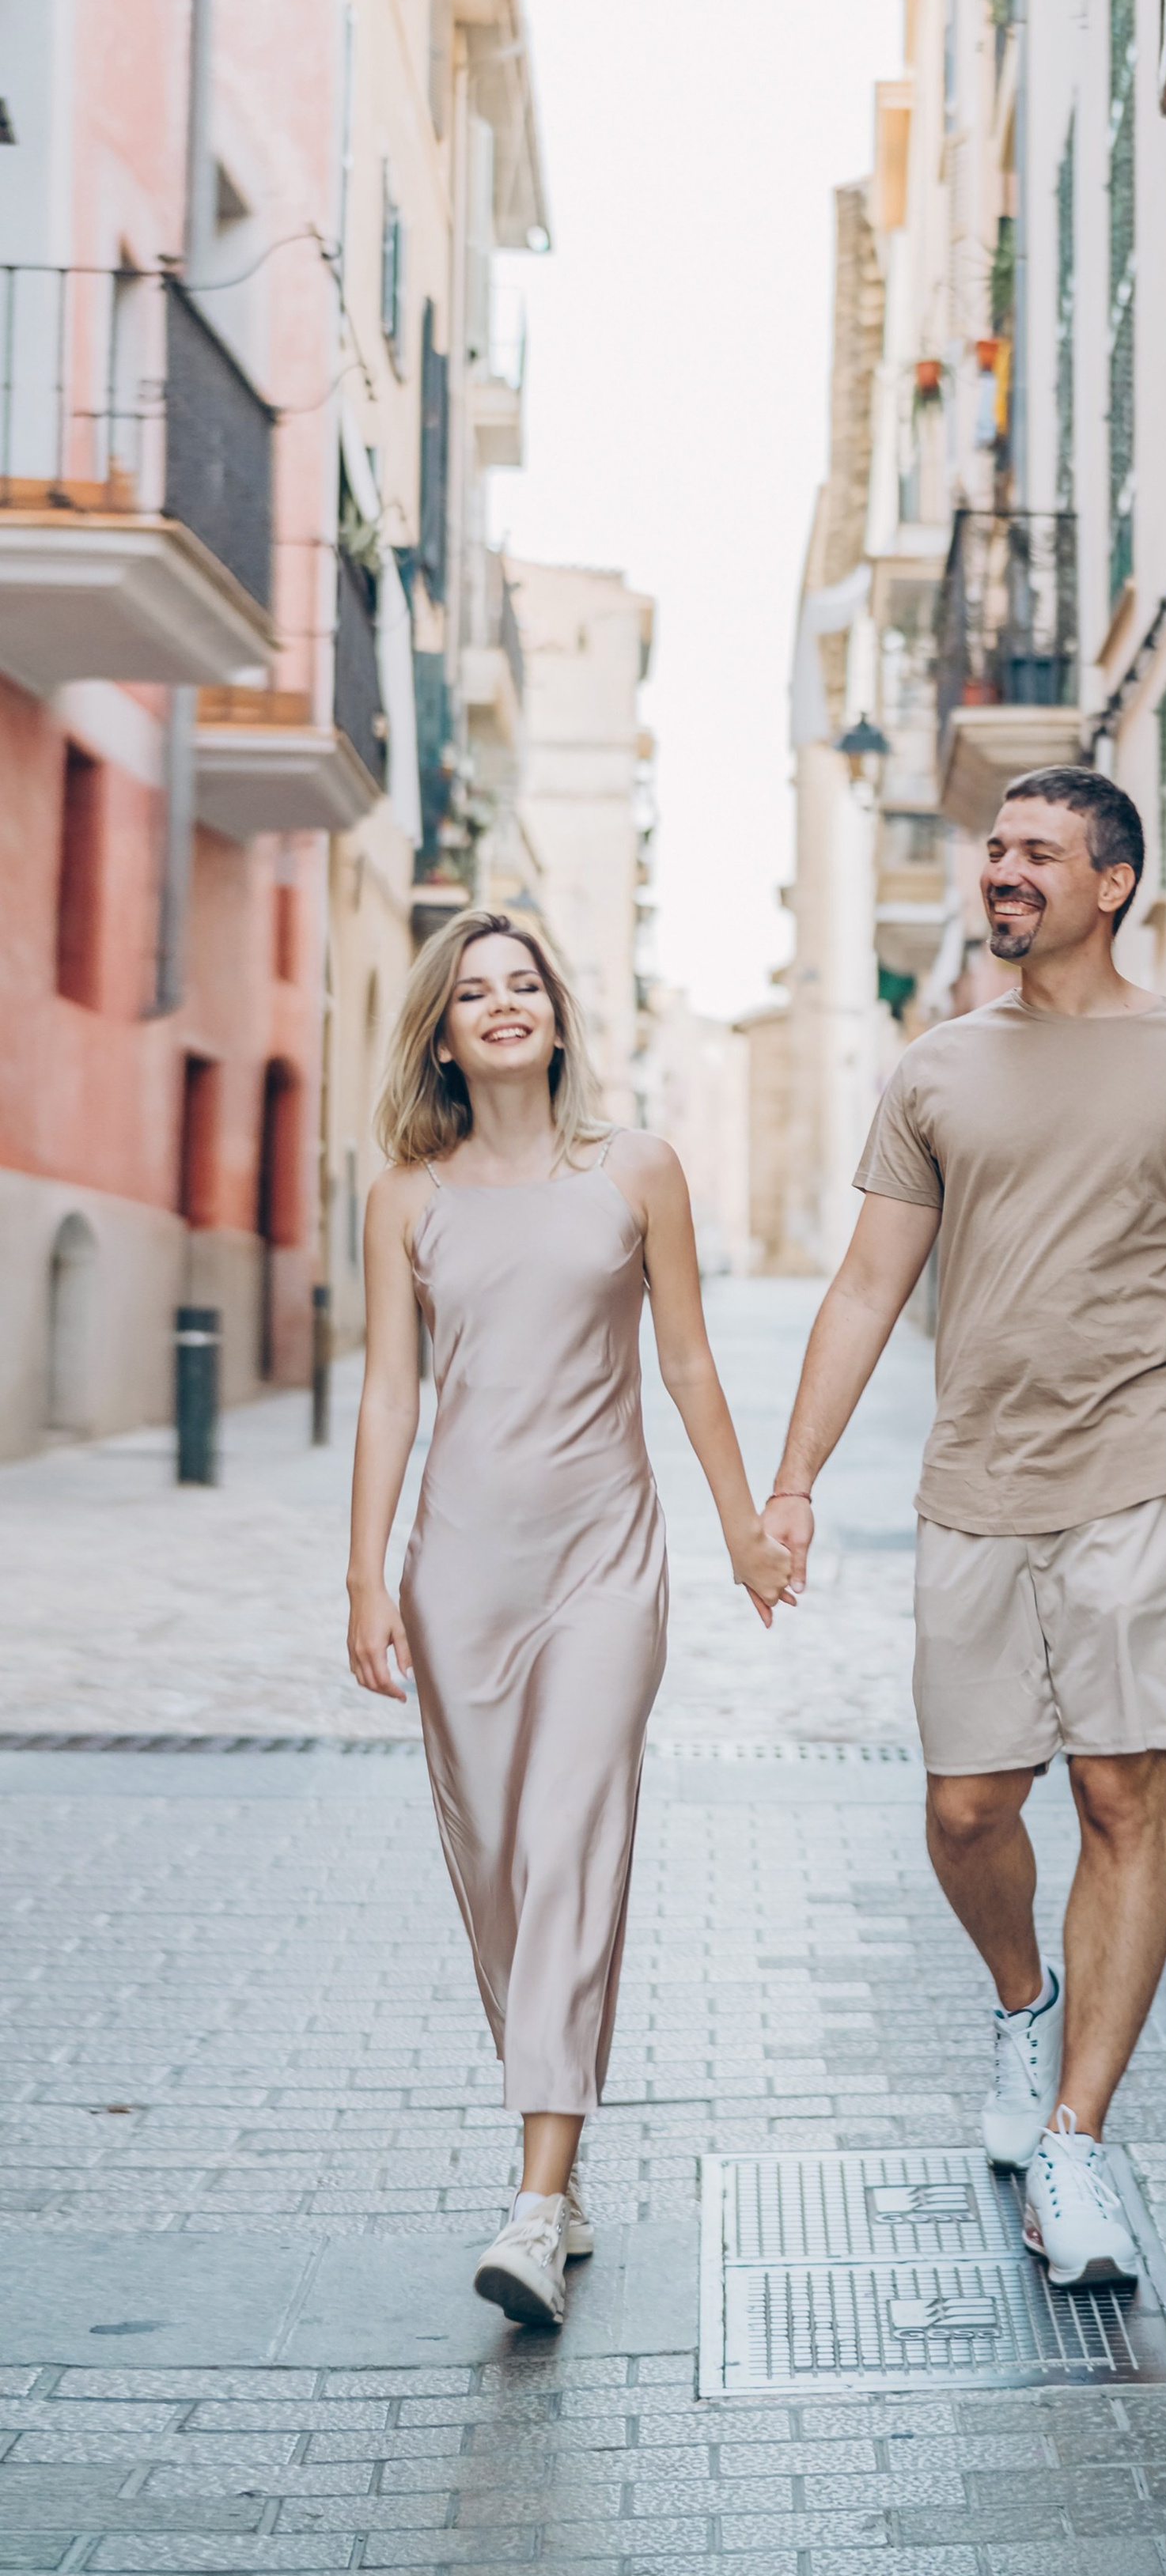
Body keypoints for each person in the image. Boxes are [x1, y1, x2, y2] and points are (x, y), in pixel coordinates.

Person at [763, 767, 1166, 2288]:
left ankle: (1079, 2146)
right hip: (975, 1483)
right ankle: (1022, 2001)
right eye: (995, 851)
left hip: (1145, 1471)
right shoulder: (937, 1071)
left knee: (1121, 1791)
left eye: (1038, 852)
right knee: (970, 1810)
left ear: (1114, 885)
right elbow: (863, 1288)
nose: (1003, 871)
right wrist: (792, 1483)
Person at [345, 909, 792, 2328]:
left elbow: (690, 1362)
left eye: (524, 982)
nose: (503, 1005)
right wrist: (366, 1576)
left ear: (558, 1012)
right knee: (494, 1873)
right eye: (474, 991)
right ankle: (562, 2144)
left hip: (606, 1563)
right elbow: (390, 1397)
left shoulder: (637, 1172)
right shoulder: (408, 1198)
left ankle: (536, 2204)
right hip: (459, 1572)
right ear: (443, 1031)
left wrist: (742, 1526)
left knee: (567, 1849)